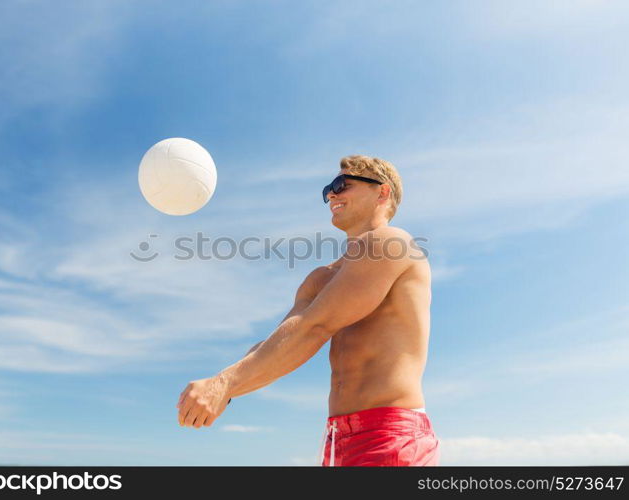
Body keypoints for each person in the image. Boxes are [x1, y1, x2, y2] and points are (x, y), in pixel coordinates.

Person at [177, 155, 440, 466]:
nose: (331, 194)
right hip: (335, 440)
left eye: (343, 185)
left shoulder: (391, 243)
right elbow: (283, 339)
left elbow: (316, 326)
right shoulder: (322, 277)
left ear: (381, 192)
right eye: (329, 188)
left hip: (390, 435)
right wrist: (223, 387)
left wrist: (225, 384)